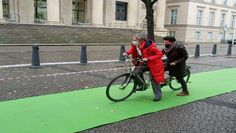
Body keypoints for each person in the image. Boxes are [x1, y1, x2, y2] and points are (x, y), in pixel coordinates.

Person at [123, 33, 165, 101]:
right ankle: (142, 85)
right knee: (136, 72)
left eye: (135, 40)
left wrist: (149, 58)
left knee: (154, 79)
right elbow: (132, 49)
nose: (133, 41)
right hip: (144, 62)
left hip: (154, 63)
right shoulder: (136, 45)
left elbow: (160, 54)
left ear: (141, 40)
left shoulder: (150, 47)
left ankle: (158, 95)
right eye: (133, 39)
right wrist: (127, 53)